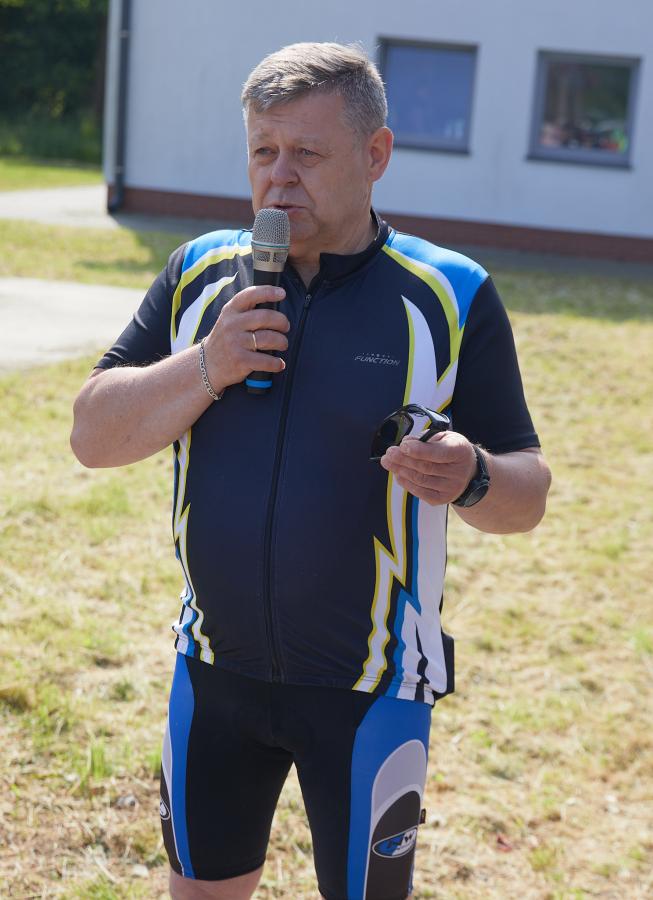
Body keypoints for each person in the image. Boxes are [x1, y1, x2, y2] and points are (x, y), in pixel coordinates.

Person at [71, 41, 551, 900]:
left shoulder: (449, 295)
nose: (278, 178)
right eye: (262, 150)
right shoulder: (199, 277)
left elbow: (528, 494)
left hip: (371, 692)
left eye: (307, 153)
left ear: (376, 155)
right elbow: (91, 435)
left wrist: (471, 475)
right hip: (212, 675)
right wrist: (207, 364)